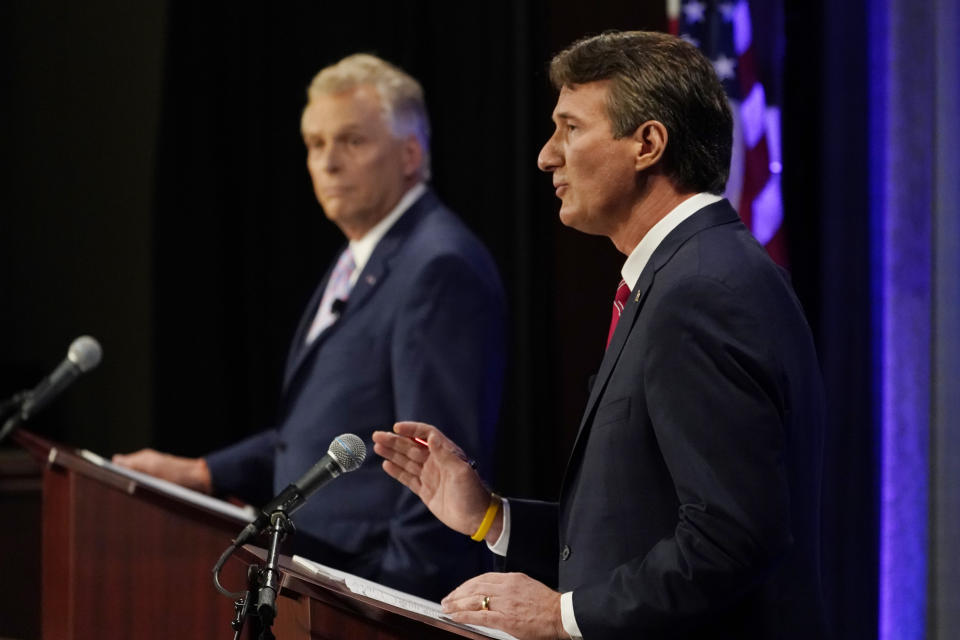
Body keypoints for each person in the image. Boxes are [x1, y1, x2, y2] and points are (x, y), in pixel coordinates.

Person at [373, 31, 827, 639]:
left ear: (647, 143)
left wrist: (559, 616)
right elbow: (640, 527)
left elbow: (731, 539)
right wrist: (491, 517)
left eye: (570, 128)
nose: (545, 155)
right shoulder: (683, 277)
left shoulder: (702, 291)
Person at [113, 54, 506, 601]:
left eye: (351, 141)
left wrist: (389, 600)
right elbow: (322, 426)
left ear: (411, 153)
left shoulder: (438, 265)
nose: (328, 162)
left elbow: (438, 456)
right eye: (315, 144)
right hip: (321, 578)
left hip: (368, 594)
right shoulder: (363, 256)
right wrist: (201, 472)